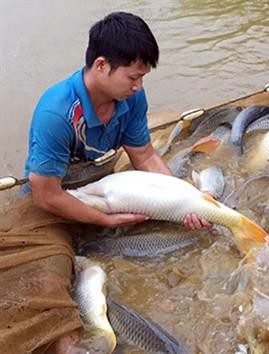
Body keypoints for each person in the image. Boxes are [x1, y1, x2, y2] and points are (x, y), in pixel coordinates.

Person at [0, 12, 208, 353]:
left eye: (142, 77)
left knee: (175, 228)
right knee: (47, 275)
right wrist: (104, 220)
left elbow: (144, 157)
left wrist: (185, 200)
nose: (139, 86)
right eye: (133, 77)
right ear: (100, 65)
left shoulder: (131, 98)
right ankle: (68, 343)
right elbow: (46, 195)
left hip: (107, 182)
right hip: (55, 198)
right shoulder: (57, 112)